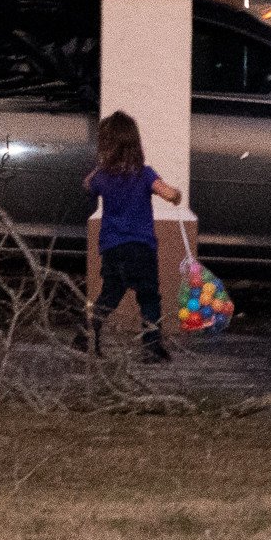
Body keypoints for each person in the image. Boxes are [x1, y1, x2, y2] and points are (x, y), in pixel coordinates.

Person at [84, 109, 184, 361]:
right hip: (141, 248)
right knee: (149, 297)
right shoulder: (144, 174)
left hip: (112, 247)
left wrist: (100, 168)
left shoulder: (103, 177)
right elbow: (169, 193)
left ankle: (85, 336)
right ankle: (152, 348)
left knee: (110, 294)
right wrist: (177, 195)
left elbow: (87, 184)